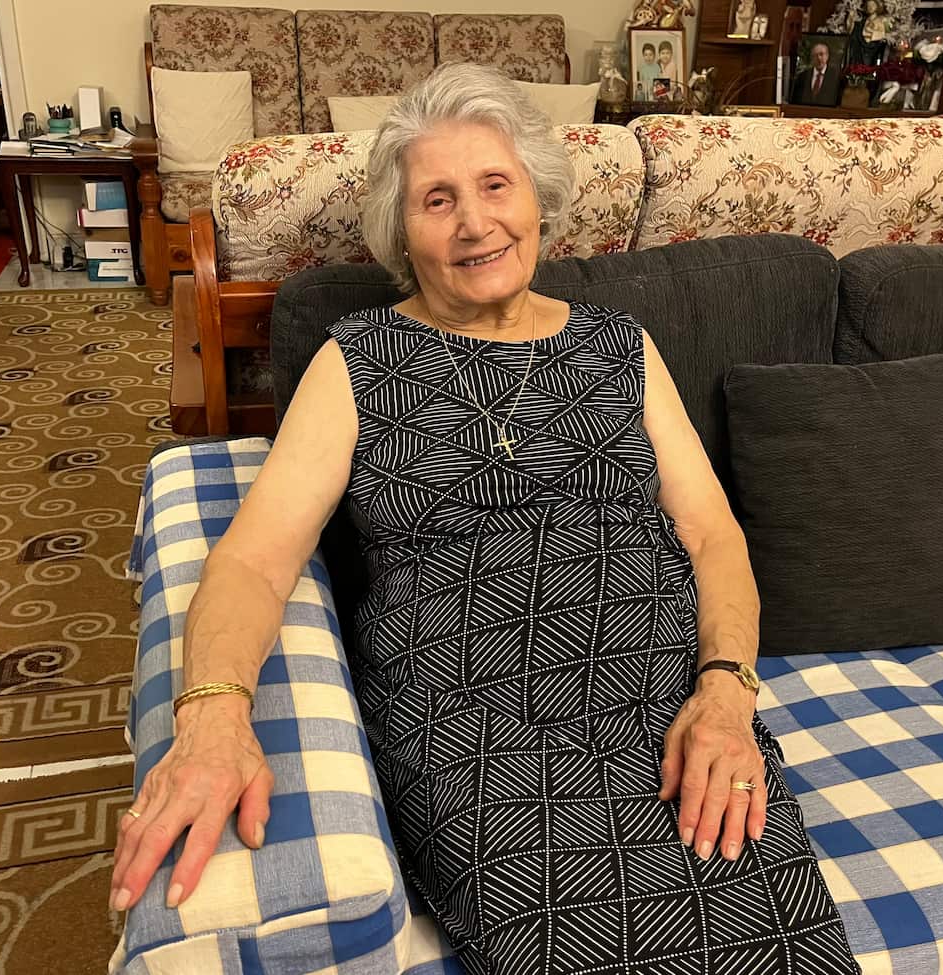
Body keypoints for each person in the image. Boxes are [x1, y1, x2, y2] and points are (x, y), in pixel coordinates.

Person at [108, 63, 860, 975]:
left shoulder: (618, 346)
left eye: (494, 185)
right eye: (437, 199)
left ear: (536, 195)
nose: (474, 222)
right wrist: (214, 719)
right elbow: (256, 562)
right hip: (476, 731)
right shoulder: (363, 361)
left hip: (669, 707)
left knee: (782, 944)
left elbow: (712, 532)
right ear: (402, 233)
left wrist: (728, 691)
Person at [792, 42, 842, 106]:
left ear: (827, 56)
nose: (818, 58)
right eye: (815, 55)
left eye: (821, 54)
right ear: (812, 58)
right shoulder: (802, 76)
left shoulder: (836, 77)